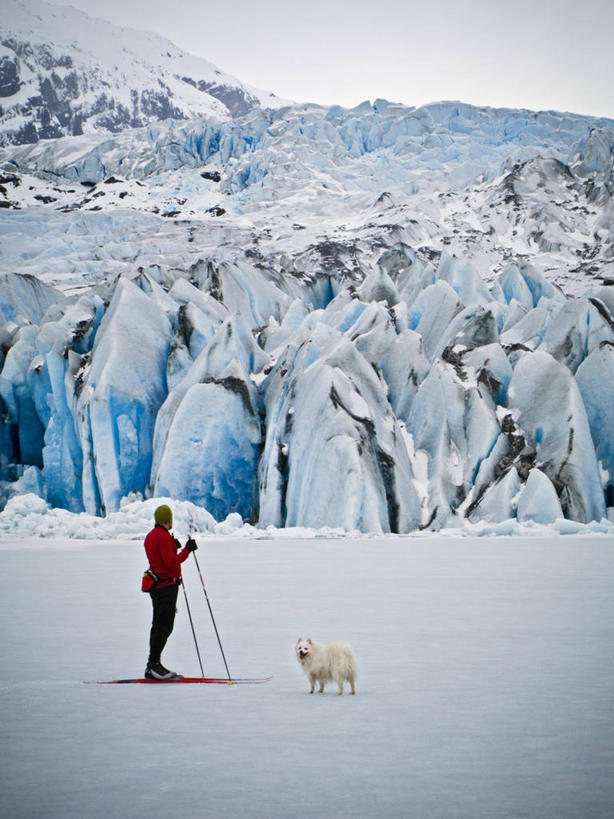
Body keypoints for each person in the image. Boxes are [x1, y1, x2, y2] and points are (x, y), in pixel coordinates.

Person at [143, 504, 198, 680]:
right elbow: (171, 563)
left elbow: (159, 559)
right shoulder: (163, 537)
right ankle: (153, 665)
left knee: (159, 624)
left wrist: (172, 545)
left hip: (157, 586)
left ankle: (154, 664)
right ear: (168, 519)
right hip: (166, 587)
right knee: (164, 626)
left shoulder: (151, 536)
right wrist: (187, 550)